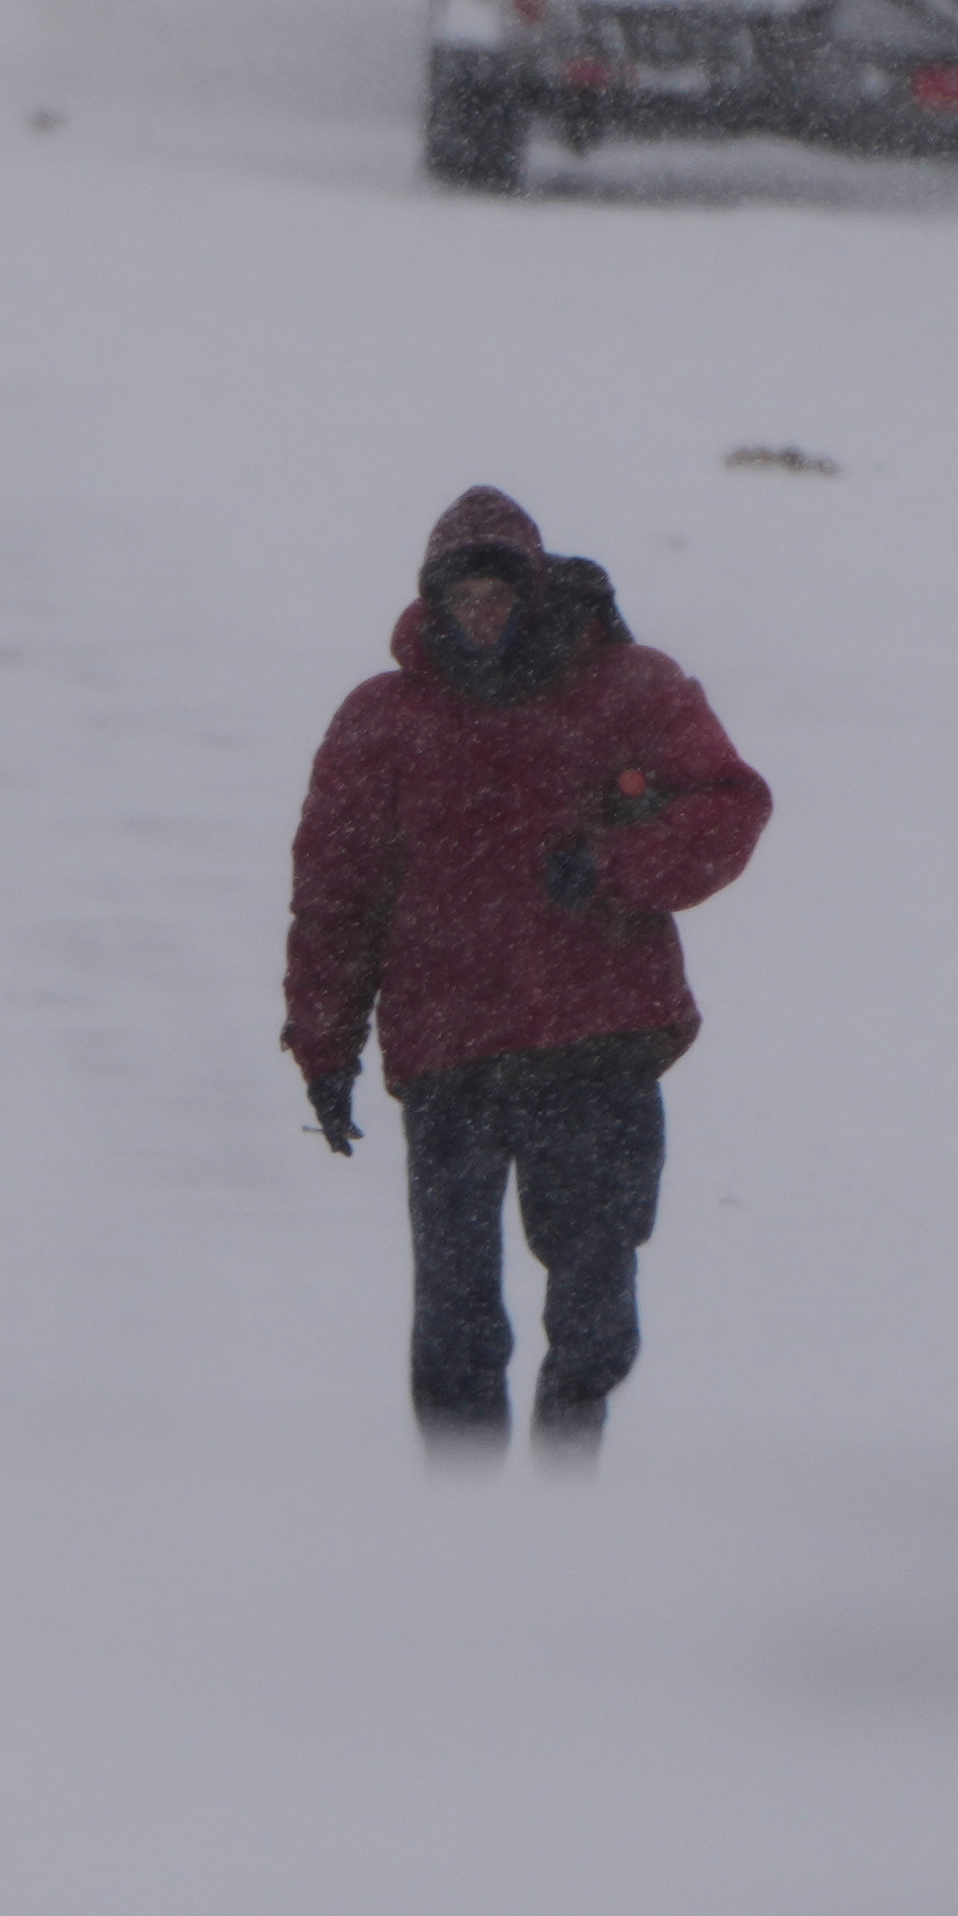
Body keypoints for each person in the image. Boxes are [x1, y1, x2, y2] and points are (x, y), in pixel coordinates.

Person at [282, 488, 769, 1452]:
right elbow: (334, 896)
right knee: (455, 1322)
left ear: (533, 593)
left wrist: (613, 867)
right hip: (450, 1060)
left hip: (597, 1050)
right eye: (461, 600)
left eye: (498, 596)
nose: (482, 618)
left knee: (594, 1305)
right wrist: (324, 1045)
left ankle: (563, 1489)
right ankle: (466, 1538)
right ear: (432, 604)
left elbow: (728, 804)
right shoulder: (382, 721)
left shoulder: (630, 688)